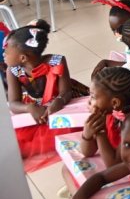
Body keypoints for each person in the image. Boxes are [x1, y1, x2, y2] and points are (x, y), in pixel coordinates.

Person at [5, 21, 88, 163]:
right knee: (18, 139)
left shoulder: (57, 60)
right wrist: (29, 108)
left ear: (23, 57)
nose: (3, 55)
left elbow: (66, 92)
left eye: (6, 52)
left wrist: (59, 101)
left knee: (73, 126)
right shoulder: (12, 71)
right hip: (36, 105)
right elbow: (13, 103)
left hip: (63, 101)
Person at [81, 67, 130, 168]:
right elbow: (87, 152)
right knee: (66, 170)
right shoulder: (109, 115)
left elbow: (113, 164)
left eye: (93, 97)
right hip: (113, 163)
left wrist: (100, 131)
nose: (89, 101)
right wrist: (87, 134)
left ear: (115, 103)